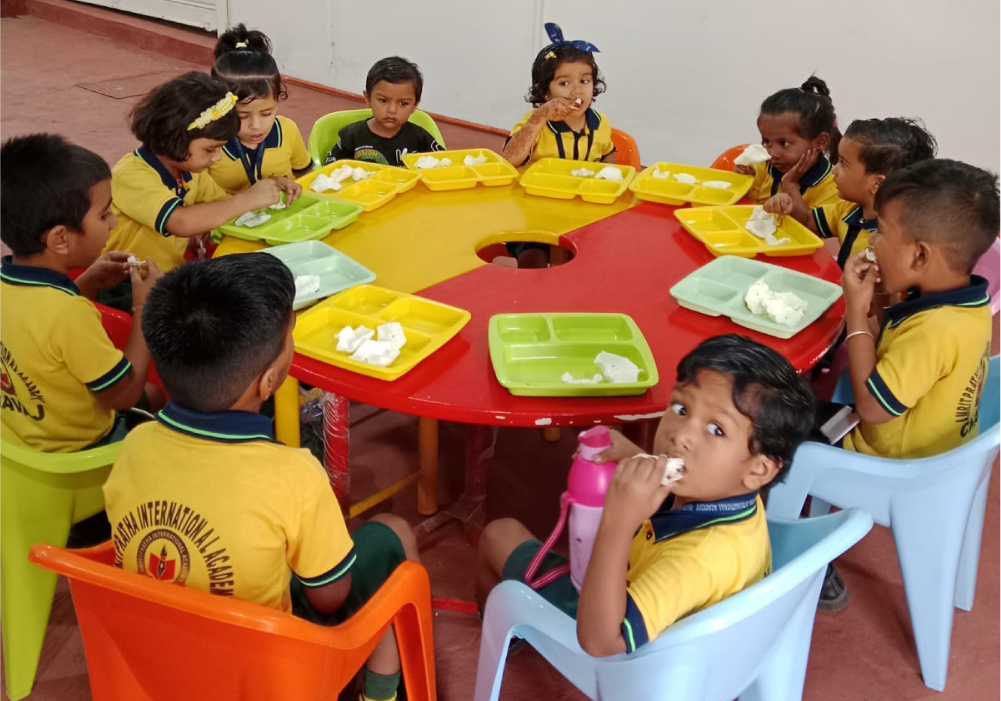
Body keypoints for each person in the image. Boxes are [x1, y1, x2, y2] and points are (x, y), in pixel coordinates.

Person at [103, 253, 420, 701]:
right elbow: (330, 597)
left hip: (163, 654)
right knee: (393, 535)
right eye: (290, 337)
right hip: (266, 670)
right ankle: (381, 693)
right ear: (269, 381)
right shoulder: (293, 474)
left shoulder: (134, 446)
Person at [476, 334, 815, 655]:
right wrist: (637, 457)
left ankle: (509, 636)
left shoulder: (698, 560)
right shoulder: (734, 490)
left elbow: (601, 642)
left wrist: (618, 524)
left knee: (498, 534)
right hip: (684, 641)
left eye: (716, 429)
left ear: (760, 469)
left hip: (620, 648)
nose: (680, 435)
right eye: (681, 409)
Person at [823, 158, 997, 611]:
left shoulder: (934, 331)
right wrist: (883, 297)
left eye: (881, 232)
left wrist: (855, 312)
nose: (872, 242)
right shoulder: (966, 301)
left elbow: (872, 409)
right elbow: (895, 338)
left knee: (776, 429)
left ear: (920, 255)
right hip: (943, 454)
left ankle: (805, 560)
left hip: (892, 463)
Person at [0, 134, 164, 454]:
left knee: (153, 395)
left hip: (21, 440)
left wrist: (87, 283)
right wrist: (145, 304)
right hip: (81, 451)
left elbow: (40, 326)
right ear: (60, 239)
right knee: (158, 397)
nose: (113, 222)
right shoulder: (71, 314)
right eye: (104, 214)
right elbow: (124, 395)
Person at [103, 72, 298, 279]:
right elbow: (181, 222)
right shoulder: (131, 174)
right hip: (123, 280)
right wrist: (248, 199)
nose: (217, 157)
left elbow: (225, 206)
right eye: (209, 149)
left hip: (168, 273)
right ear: (175, 139)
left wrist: (270, 185)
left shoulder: (192, 174)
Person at [502, 22, 615, 268]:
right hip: (533, 213)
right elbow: (508, 161)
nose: (577, 91)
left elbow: (609, 158)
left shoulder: (600, 123)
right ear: (545, 93)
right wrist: (539, 117)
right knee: (534, 257)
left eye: (584, 81)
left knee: (601, 254)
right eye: (564, 83)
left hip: (584, 213)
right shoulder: (534, 123)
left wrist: (612, 179)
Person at [764, 117, 937, 269]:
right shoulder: (848, 209)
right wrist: (788, 203)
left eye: (843, 163)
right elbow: (808, 221)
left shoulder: (897, 238)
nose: (834, 170)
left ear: (877, 183)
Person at [209, 24, 312, 194]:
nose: (256, 126)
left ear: (277, 100)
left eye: (266, 113)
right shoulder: (208, 144)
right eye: (242, 116)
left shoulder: (288, 130)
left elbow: (305, 175)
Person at [738, 76, 841, 208]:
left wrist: (789, 185)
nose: (772, 153)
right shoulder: (762, 167)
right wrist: (742, 180)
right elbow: (741, 208)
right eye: (767, 142)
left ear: (820, 142)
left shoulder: (834, 186)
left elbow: (810, 221)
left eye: (784, 143)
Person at [324, 56, 443, 167]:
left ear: (414, 105)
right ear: (368, 98)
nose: (392, 110)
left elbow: (444, 162)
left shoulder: (419, 137)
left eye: (403, 103)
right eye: (383, 100)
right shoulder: (352, 136)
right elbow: (330, 166)